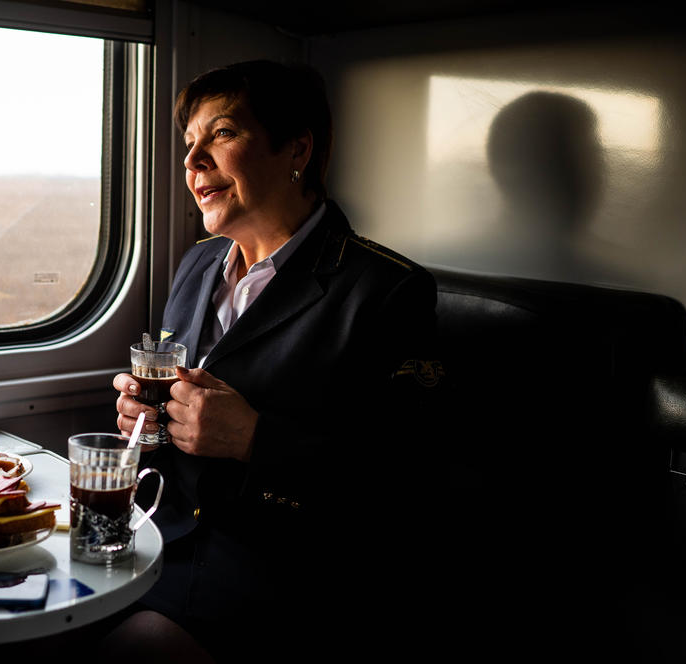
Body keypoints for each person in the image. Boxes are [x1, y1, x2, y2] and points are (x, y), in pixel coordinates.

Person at [106, 60, 442, 662]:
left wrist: (254, 439)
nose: (193, 161)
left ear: (298, 149)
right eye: (190, 144)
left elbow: (409, 481)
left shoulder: (387, 290)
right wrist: (147, 421)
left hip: (281, 572)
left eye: (223, 134)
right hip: (156, 534)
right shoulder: (199, 265)